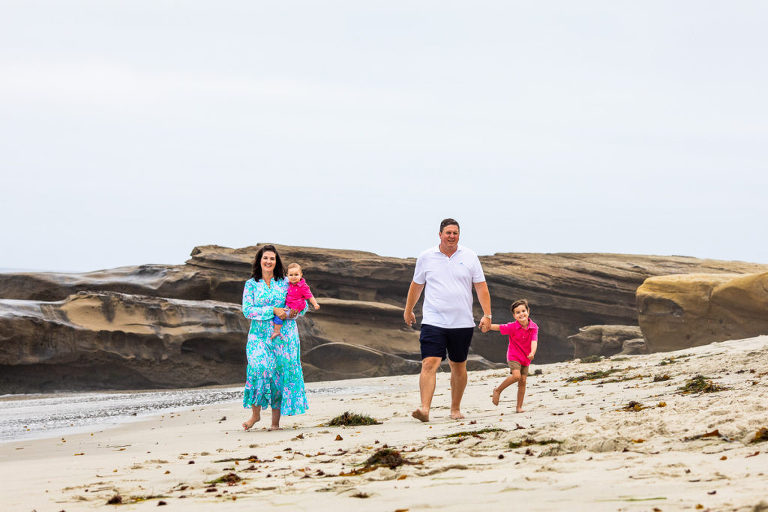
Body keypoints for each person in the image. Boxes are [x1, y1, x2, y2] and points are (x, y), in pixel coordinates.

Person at [403, 218, 492, 422]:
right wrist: (408, 310)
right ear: (440, 234)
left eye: (455, 233)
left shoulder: (470, 257)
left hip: (462, 322)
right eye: (448, 232)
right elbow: (416, 286)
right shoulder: (426, 257)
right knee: (429, 362)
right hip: (433, 320)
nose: (451, 236)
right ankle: (425, 409)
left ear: (459, 235)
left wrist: (487, 315)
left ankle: (455, 408)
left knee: (458, 365)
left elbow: (481, 286)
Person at [241, 245, 308, 431]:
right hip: (258, 336)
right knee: (258, 369)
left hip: (284, 336)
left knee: (278, 375)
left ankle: (275, 423)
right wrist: (272, 310)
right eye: (265, 258)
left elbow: (301, 302)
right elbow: (247, 310)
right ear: (259, 261)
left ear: (276, 262)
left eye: (272, 258)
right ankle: (255, 415)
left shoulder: (286, 282)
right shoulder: (251, 284)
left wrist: (293, 312)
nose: (269, 261)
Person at [488, 299, 538, 413]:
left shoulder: (534, 327)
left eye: (523, 311)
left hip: (526, 358)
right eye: (518, 312)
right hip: (514, 355)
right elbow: (499, 327)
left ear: (528, 311)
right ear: (514, 315)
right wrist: (488, 326)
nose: (521, 314)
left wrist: (532, 353)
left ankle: (519, 407)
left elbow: (534, 341)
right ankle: (498, 390)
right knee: (516, 376)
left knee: (523, 381)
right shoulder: (512, 327)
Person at [271, 263, 320, 339]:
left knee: (278, 316)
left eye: (296, 275)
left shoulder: (303, 287)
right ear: (287, 275)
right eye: (291, 275)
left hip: (293, 309)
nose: (293, 277)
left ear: (301, 275)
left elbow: (310, 296)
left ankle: (277, 332)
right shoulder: (290, 283)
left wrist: (315, 304)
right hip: (288, 305)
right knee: (277, 314)